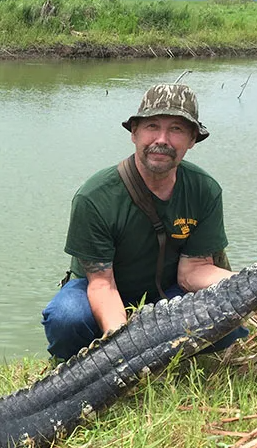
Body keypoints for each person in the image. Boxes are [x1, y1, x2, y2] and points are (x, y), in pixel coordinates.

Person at [41, 83, 248, 361]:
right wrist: (126, 349)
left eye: (176, 129)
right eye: (152, 126)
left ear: (192, 140)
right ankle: (83, 363)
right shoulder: (94, 196)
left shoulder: (204, 189)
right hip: (100, 288)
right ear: (134, 133)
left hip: (167, 289)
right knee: (67, 320)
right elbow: (103, 285)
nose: (162, 139)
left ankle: (165, 357)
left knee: (229, 322)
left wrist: (247, 285)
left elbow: (194, 271)